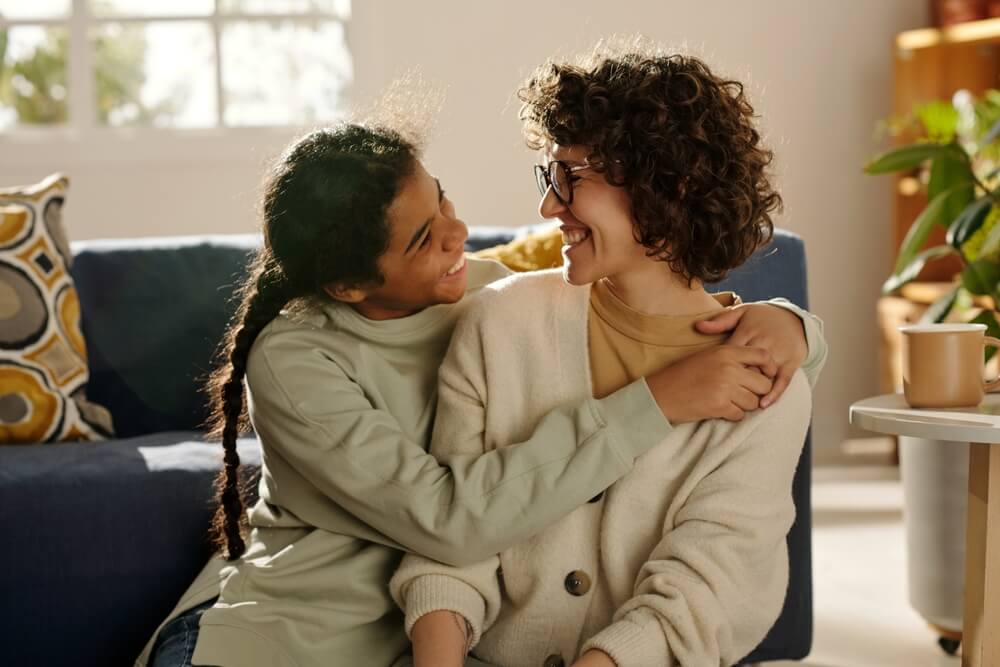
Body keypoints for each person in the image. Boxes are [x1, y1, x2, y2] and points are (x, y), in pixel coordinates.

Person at [137, 118, 825, 667]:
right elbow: (449, 516)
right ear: (350, 286)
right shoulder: (294, 357)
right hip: (281, 640)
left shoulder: (481, 293)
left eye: (444, 200)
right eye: (422, 239)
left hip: (430, 633)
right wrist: (660, 400)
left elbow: (630, 295)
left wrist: (793, 328)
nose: (458, 234)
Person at [390, 48, 822, 667]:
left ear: (665, 185)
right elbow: (453, 536)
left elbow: (702, 596)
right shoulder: (499, 324)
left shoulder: (767, 386)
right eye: (549, 176)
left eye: (572, 178)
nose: (548, 207)